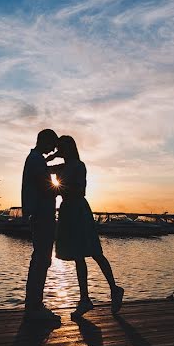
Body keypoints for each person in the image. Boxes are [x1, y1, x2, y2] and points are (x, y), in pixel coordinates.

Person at [49, 135, 124, 317]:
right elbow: (42, 169)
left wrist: (56, 190)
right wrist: (51, 157)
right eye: (59, 147)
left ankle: (114, 289)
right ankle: (85, 299)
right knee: (77, 256)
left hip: (78, 209)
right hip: (67, 210)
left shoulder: (78, 166)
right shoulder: (62, 166)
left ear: (71, 148)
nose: (61, 150)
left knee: (95, 252)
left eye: (63, 147)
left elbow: (79, 189)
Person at [21, 128, 61, 324]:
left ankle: (34, 304)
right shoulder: (36, 160)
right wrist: (65, 190)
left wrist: (53, 160)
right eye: (52, 144)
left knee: (40, 259)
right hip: (42, 215)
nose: (54, 148)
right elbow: (45, 186)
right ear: (45, 141)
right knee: (42, 260)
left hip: (40, 214)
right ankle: (34, 307)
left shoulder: (36, 159)